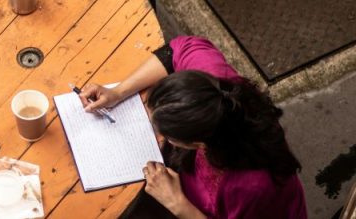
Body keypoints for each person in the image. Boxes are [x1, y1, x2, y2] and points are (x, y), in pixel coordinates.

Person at [79, 36, 307, 219]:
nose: (157, 134)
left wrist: (177, 204)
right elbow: (176, 50)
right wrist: (118, 92)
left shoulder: (250, 186)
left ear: (197, 143)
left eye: (165, 134)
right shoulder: (212, 87)